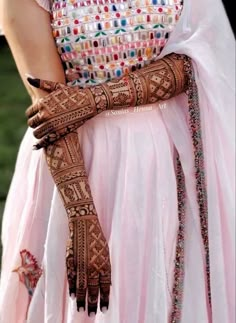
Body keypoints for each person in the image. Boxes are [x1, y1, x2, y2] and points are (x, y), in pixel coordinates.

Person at [0, 0, 235, 322]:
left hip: (166, 158)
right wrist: (81, 219)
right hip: (75, 160)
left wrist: (98, 97)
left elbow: (199, 56)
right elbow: (51, 110)